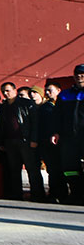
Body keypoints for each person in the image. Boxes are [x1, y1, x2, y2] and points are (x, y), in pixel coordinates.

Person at [0, 82, 45, 201]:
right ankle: (16, 194)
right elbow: (1, 126)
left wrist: (34, 139)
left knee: (32, 168)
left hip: (25, 140)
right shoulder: (3, 107)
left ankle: (38, 195)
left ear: (14, 90)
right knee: (14, 169)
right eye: (3, 92)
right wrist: (0, 142)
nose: (6, 94)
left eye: (8, 91)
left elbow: (35, 123)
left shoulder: (26, 104)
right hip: (10, 141)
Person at [51, 64, 84, 205]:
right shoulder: (64, 95)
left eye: (82, 74)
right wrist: (56, 132)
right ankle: (76, 194)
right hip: (69, 138)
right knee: (70, 169)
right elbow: (57, 116)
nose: (79, 77)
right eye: (77, 74)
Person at [38, 83, 65, 203]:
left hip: (65, 142)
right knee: (53, 170)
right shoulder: (44, 107)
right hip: (48, 143)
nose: (47, 93)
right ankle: (54, 193)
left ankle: (68, 193)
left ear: (59, 90)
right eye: (46, 90)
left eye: (50, 90)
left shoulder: (65, 105)